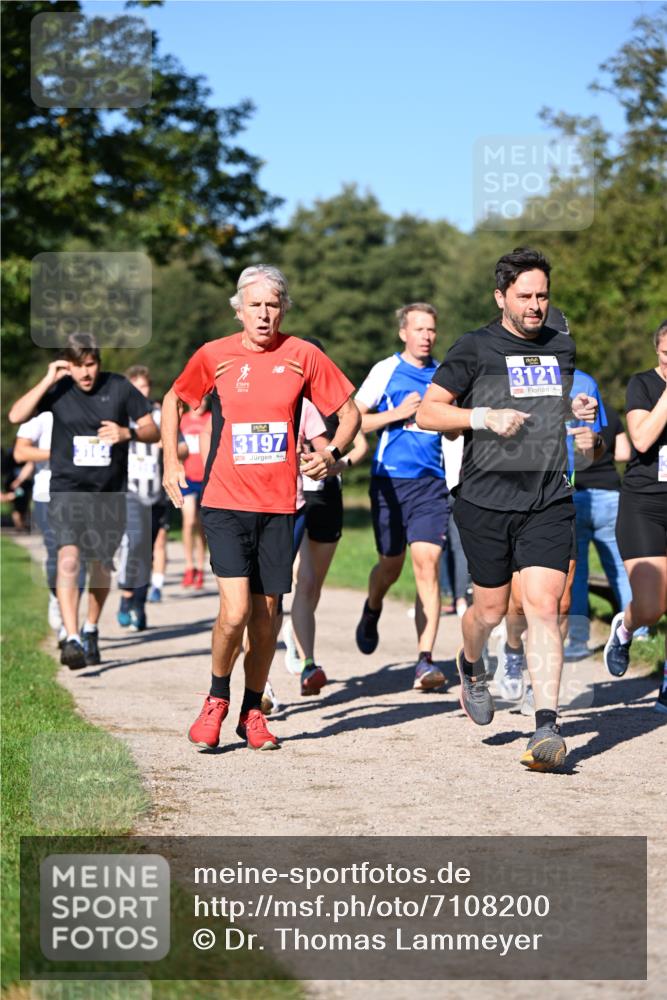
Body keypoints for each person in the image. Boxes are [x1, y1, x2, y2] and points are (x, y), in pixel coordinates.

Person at [161, 264, 360, 752]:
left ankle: (253, 710)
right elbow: (173, 399)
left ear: (284, 308)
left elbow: (350, 411)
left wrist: (330, 453)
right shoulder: (215, 354)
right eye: (255, 305)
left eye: (273, 305)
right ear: (239, 310)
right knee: (233, 612)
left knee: (267, 613)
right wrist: (170, 459)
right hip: (225, 500)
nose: (265, 314)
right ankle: (216, 699)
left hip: (279, 505)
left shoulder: (303, 355)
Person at [417, 248, 598, 771]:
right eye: (525, 296)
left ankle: (546, 726)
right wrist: (482, 417)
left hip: (547, 496)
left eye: (543, 295)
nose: (536, 305)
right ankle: (469, 662)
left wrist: (574, 408)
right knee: (491, 611)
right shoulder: (474, 347)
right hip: (485, 498)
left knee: (544, 606)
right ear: (501, 297)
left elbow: (545, 407)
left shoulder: (561, 346)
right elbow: (430, 412)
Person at [8, 333, 159, 669]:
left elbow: (153, 430)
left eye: (90, 365)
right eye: (77, 366)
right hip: (67, 491)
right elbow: (16, 416)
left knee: (101, 566)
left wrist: (127, 433)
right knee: (68, 558)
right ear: (68, 366)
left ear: (99, 363)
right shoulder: (59, 390)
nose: (85, 373)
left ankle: (91, 627)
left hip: (109, 493)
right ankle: (72, 637)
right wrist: (49, 377)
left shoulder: (119, 387)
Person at [354, 303, 449, 692]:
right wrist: (398, 414)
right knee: (390, 566)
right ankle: (373, 604)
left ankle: (425, 661)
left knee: (428, 563)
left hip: (432, 483)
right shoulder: (385, 370)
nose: (426, 336)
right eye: (419, 329)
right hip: (390, 483)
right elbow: (355, 419)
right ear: (403, 333)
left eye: (431, 329)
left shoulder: (445, 376)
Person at [604, 319, 667, 714]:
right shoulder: (643, 385)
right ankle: (625, 628)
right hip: (644, 504)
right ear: (658, 350)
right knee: (652, 605)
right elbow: (641, 439)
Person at [117, 365, 186, 631]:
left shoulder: (159, 414)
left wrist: (168, 447)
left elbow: (183, 448)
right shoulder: (120, 416)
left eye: (144, 386)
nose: (140, 391)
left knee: (147, 551)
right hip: (129, 491)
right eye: (135, 387)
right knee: (134, 544)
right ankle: (126, 597)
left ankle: (139, 604)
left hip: (157, 493)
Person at [14, 407, 86, 641]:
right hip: (47, 495)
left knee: (80, 560)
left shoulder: (91, 413)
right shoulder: (44, 418)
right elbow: (20, 453)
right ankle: (57, 599)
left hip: (85, 495)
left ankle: (70, 623)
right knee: (57, 556)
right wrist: (59, 452)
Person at [179, 398, 212, 589]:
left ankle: (200, 567)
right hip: (187, 478)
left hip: (206, 479)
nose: (201, 405)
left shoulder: (211, 418)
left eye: (204, 401)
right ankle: (188, 566)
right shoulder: (183, 420)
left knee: (201, 525)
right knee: (189, 520)